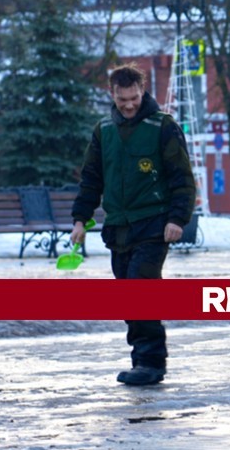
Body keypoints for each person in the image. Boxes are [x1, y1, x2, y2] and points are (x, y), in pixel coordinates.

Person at [71, 63, 195, 386]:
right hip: (119, 227)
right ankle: (141, 358)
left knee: (142, 287)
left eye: (134, 98)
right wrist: (80, 219)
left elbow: (182, 177)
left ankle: (152, 362)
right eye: (123, 99)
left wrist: (177, 218)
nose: (129, 105)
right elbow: (91, 179)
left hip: (154, 224)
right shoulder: (104, 131)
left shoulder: (162, 126)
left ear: (143, 91)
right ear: (112, 94)